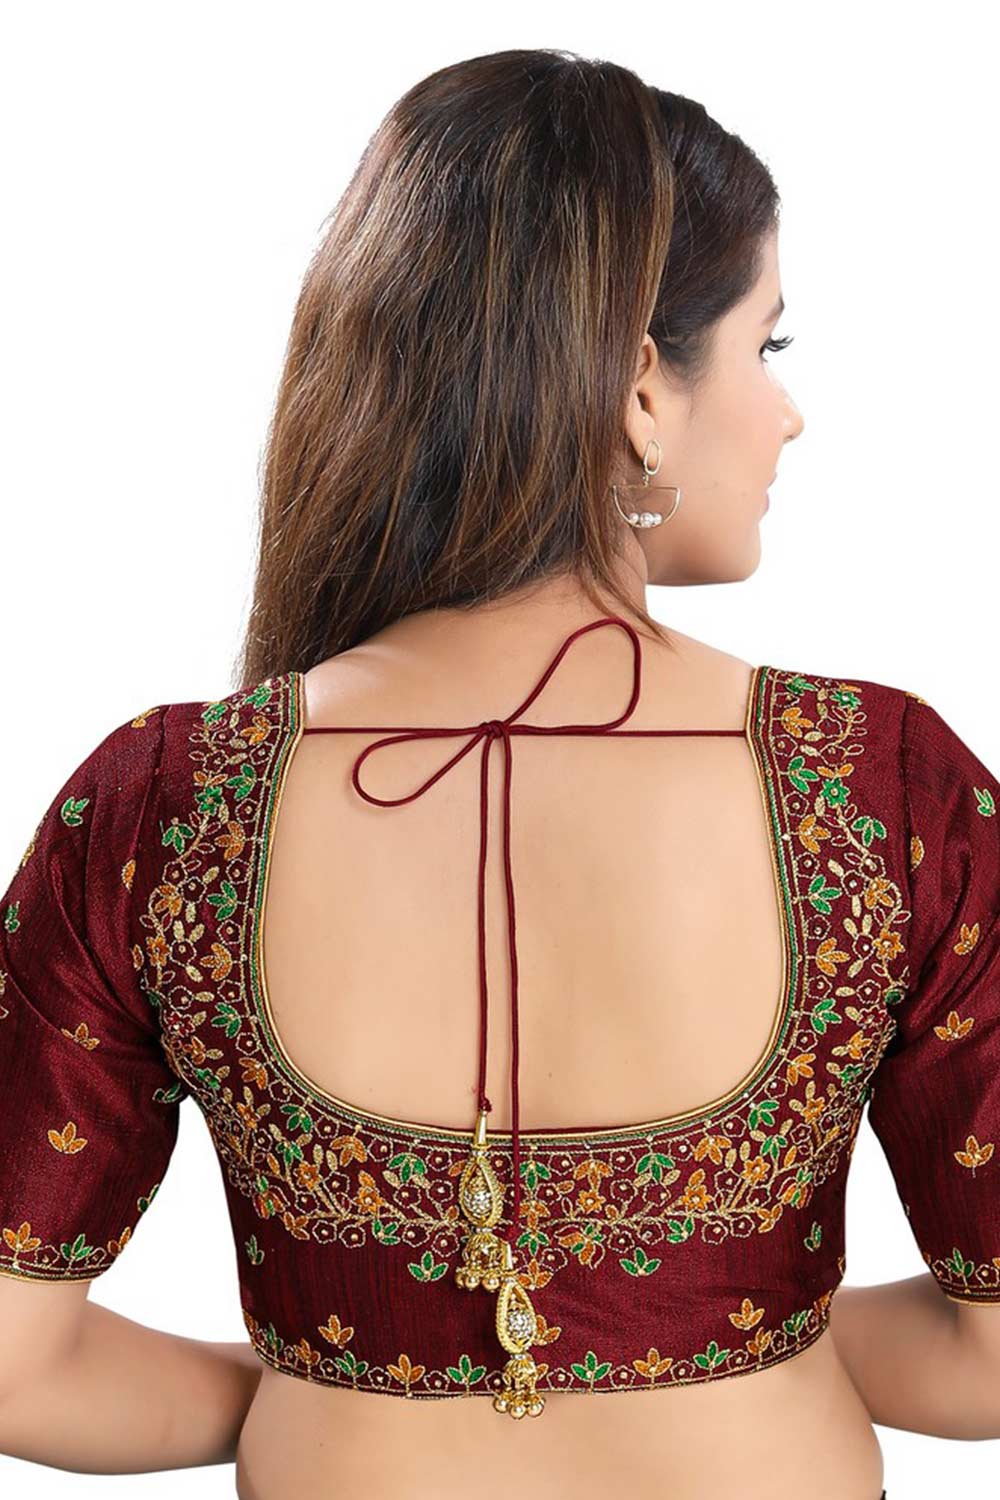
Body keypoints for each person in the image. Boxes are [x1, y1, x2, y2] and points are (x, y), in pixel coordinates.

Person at [0, 46, 997, 1500]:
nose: (788, 414)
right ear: (641, 386)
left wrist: (333, 1368)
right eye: (768, 346)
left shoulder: (170, 803)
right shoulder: (883, 790)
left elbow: (14, 1362)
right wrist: (722, 1329)